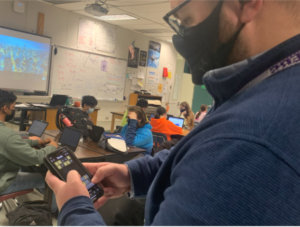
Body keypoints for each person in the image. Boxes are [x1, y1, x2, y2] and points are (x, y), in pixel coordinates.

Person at [46, 0, 300, 225]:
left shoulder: (247, 141)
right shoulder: (263, 89)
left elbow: (219, 156)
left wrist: (75, 208)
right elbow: (198, 152)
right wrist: (136, 173)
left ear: (246, 3)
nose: (182, 39)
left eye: (187, 20)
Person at [0, 90, 58, 212]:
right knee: (46, 178)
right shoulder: (6, 135)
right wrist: (52, 147)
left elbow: (8, 144)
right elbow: (35, 157)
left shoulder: (6, 136)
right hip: (2, 183)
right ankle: (55, 209)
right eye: (13, 107)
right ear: (5, 108)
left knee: (25, 167)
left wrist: (35, 142)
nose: (13, 110)